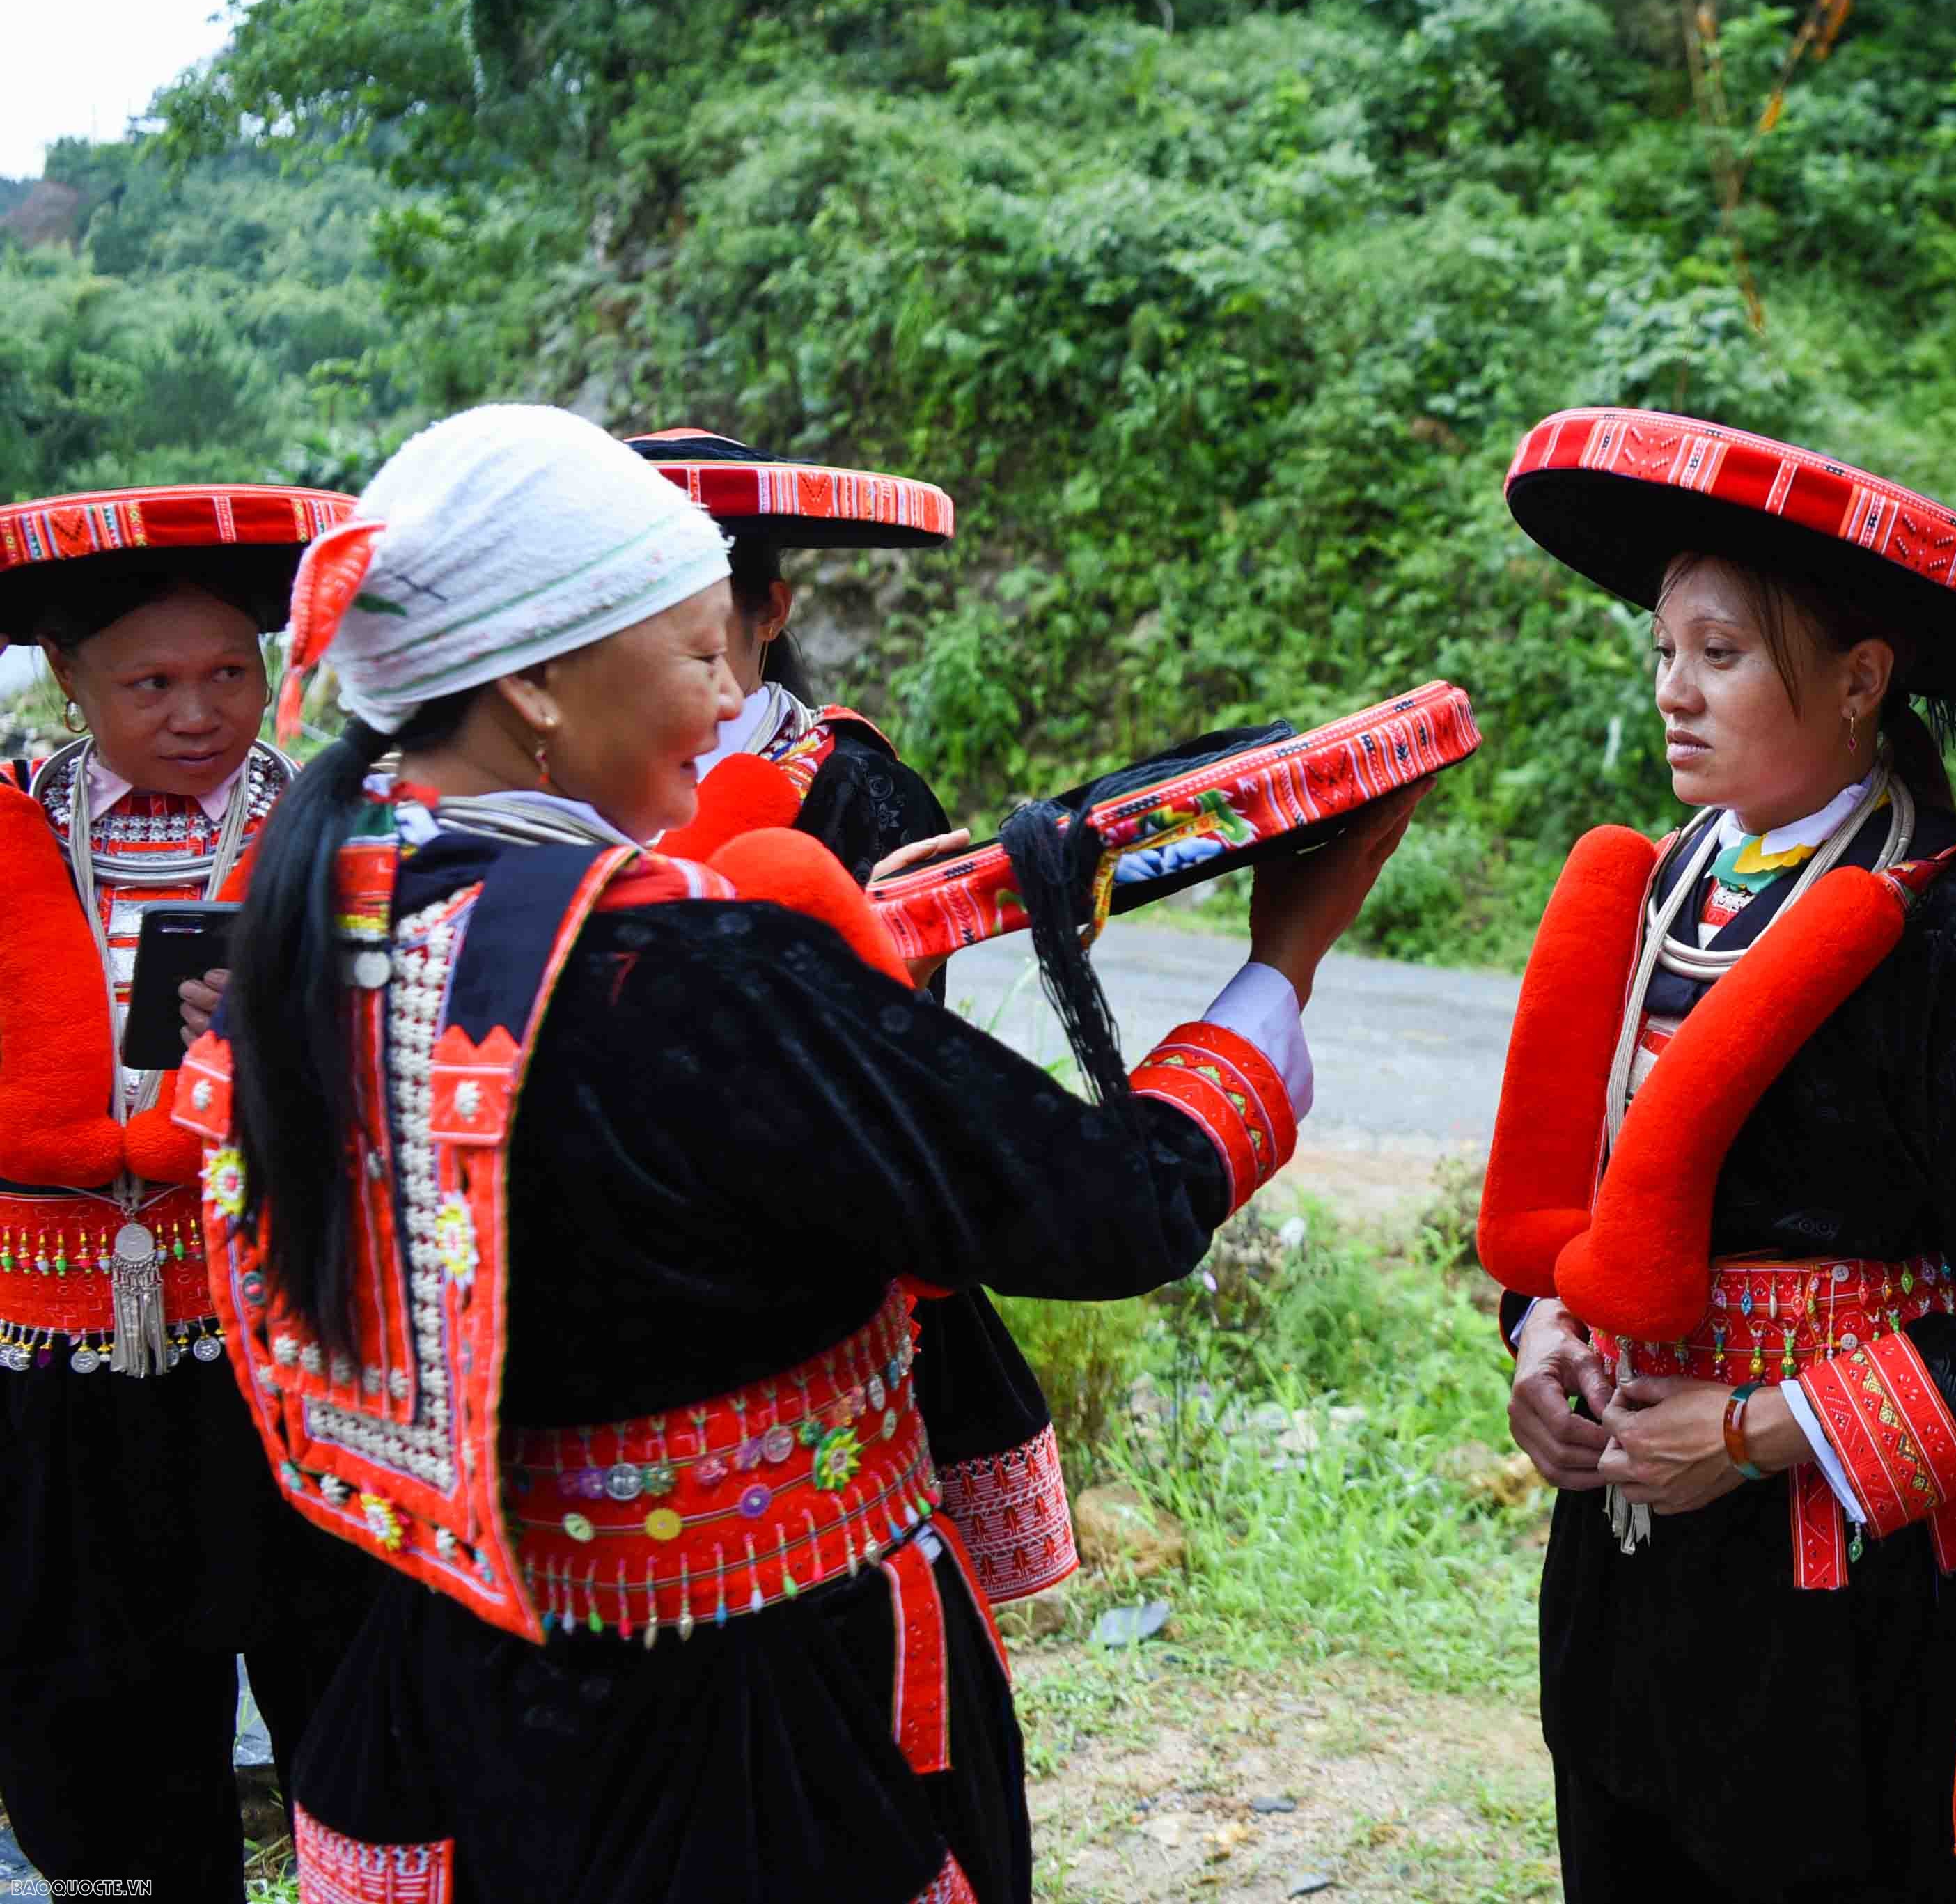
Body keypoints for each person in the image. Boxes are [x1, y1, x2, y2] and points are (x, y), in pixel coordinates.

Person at [180, 404, 1418, 1904]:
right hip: (752, 1728)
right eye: (692, 653)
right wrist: (1283, 958)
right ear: (533, 680)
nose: (724, 700)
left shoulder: (317, 933)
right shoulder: (682, 976)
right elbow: (1108, 1206)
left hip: (470, 1695)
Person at [1477, 407, 1956, 1903]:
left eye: (1720, 654)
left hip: (1858, 1592)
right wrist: (1544, 1337)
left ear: (1858, 680)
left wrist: (1751, 1430)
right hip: (1632, 1548)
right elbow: (1582, 1201)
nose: (1672, 691)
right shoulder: (1660, 894)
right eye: (1662, 651)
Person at [0, 483, 384, 1897]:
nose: (196, 710)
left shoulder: (336, 834)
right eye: (149, 681)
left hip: (277, 1348)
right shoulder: (15, 833)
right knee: (90, 1700)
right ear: (65, 675)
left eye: (231, 670)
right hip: (53, 1357)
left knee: (336, 1663)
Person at [628, 425, 1078, 1607]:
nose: (679, 666)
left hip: (829, 1267)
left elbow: (903, 1062)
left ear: (766, 611)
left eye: (698, 623)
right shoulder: (562, 791)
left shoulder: (857, 788)